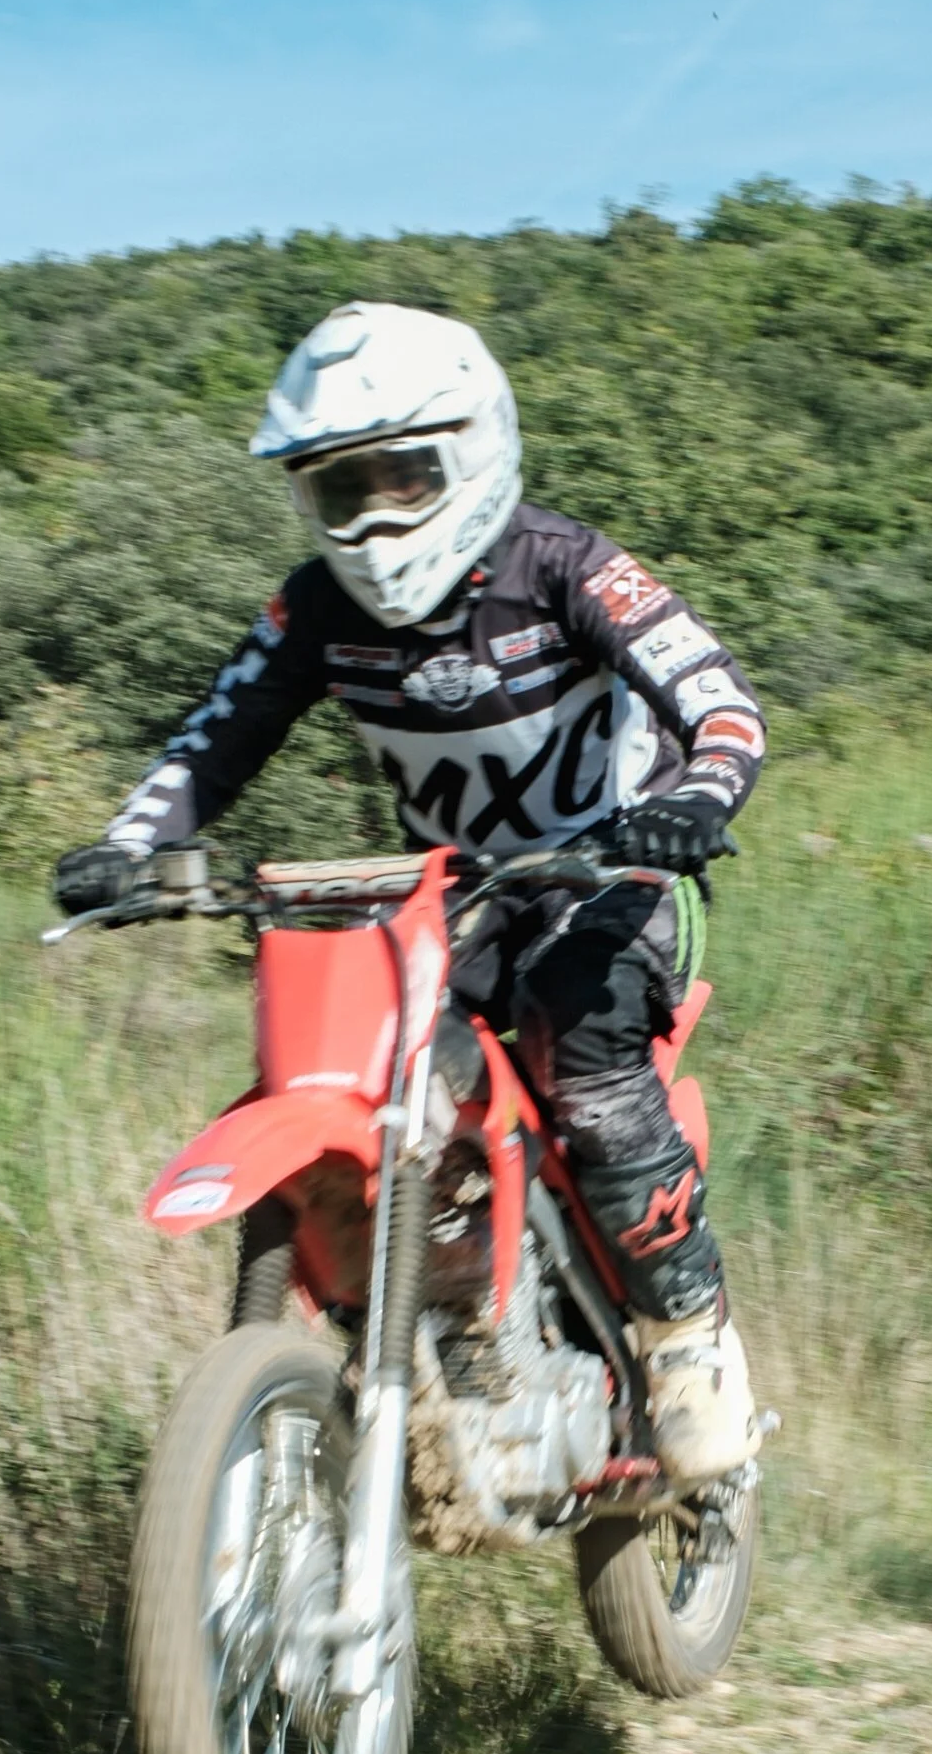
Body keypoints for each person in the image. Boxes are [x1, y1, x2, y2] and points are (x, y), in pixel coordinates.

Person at [53, 302, 765, 1487]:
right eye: (342, 492)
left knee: (586, 1063)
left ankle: (687, 1335)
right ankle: (438, 1343)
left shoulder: (571, 567)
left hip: (618, 878)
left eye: (402, 477)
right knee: (367, 1088)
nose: (375, 520)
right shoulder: (316, 609)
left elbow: (723, 703)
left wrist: (696, 801)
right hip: (454, 901)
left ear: (474, 451)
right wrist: (128, 846)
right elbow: (214, 738)